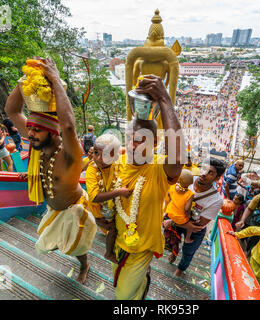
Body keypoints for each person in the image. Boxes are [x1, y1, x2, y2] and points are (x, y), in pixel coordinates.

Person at [5, 57, 97, 284]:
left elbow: (67, 125)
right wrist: (27, 79)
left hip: (73, 211)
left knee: (77, 249)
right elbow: (12, 110)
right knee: (59, 244)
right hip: (53, 209)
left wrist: (55, 80)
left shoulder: (69, 155)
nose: (30, 134)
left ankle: (85, 266)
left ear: (52, 133)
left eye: (37, 130)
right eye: (30, 129)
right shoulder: (40, 143)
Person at [111, 75, 184, 300]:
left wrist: (164, 99)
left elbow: (177, 155)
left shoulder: (160, 166)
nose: (133, 144)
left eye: (140, 139)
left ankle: (143, 280)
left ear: (154, 143)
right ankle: (143, 282)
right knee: (120, 286)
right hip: (118, 241)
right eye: (130, 137)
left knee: (122, 297)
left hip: (142, 247)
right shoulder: (117, 163)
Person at [163, 158, 226, 277]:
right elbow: (171, 196)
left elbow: (198, 225)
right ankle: (174, 253)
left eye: (210, 173)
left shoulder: (216, 200)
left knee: (188, 252)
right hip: (178, 221)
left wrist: (172, 222)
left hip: (193, 230)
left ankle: (181, 269)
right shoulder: (186, 180)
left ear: (217, 178)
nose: (203, 174)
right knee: (173, 241)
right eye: (204, 169)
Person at [85, 134, 132, 263]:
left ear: (115, 157)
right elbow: (94, 197)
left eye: (105, 155)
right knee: (113, 229)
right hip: (99, 211)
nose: (99, 158)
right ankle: (108, 253)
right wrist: (118, 192)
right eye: (96, 153)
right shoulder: (92, 169)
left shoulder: (118, 161)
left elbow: (125, 151)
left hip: (113, 208)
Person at [163, 169, 194, 263]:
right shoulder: (190, 194)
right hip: (180, 219)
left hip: (169, 215)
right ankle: (188, 238)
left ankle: (169, 248)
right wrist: (188, 215)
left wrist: (165, 212)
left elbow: (168, 200)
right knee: (191, 226)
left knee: (173, 237)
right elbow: (187, 209)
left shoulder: (172, 187)